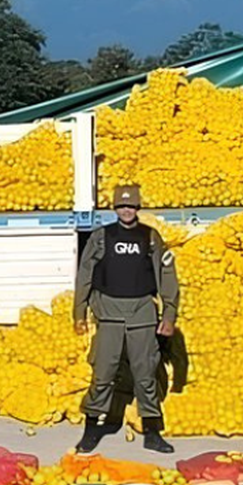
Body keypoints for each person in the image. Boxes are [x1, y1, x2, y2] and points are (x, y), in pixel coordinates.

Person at [73, 184, 180, 454]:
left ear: (138, 207)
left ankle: (153, 432)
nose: (126, 210)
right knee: (103, 373)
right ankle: (91, 429)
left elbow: (167, 276)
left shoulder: (151, 237)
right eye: (121, 206)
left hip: (142, 315)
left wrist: (169, 314)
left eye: (131, 206)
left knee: (145, 375)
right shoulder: (101, 236)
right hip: (108, 314)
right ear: (114, 209)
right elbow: (85, 275)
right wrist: (79, 313)